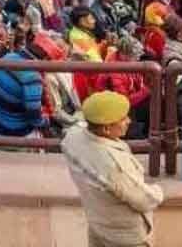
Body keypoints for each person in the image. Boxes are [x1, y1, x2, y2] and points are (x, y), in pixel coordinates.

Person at [61, 91, 165, 247]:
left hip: (98, 224)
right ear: (106, 129)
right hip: (124, 237)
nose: (129, 121)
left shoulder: (73, 137)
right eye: (122, 119)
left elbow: (79, 127)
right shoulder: (114, 164)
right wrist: (159, 191)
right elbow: (144, 200)